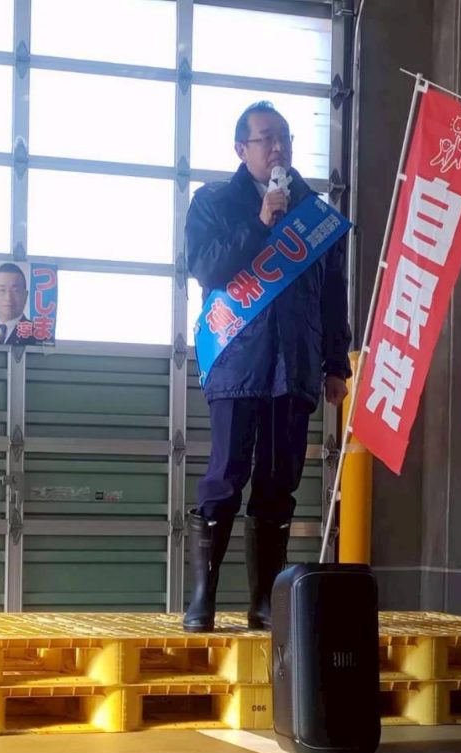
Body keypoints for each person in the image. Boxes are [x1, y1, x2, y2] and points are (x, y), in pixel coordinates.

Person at [183, 100, 351, 632]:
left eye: (285, 138)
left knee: (279, 482)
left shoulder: (315, 213)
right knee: (225, 477)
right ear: (241, 149)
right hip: (237, 363)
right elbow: (206, 267)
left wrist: (336, 363)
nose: (278, 148)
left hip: (295, 366)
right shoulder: (213, 202)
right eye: (266, 138)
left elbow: (334, 293)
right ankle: (203, 599)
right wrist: (260, 223)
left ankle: (263, 602)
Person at [0, 263, 30, 345]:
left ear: (25, 296)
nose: (8, 298)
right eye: (2, 290)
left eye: (16, 291)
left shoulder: (38, 334)